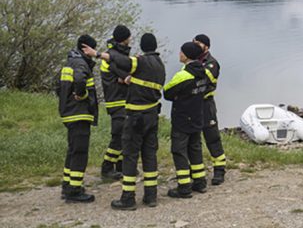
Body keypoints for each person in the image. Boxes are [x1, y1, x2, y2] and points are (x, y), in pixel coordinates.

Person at [83, 33, 166, 210]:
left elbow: (120, 60)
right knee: (150, 155)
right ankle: (151, 196)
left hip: (136, 117)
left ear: (143, 47)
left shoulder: (140, 62)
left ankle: (128, 198)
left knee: (129, 156)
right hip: (152, 115)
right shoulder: (160, 64)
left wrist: (96, 54)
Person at [164, 42, 211, 199]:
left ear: (186, 55)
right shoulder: (203, 72)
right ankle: (200, 182)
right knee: (195, 149)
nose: (179, 54)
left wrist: (180, 96)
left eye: (181, 51)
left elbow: (167, 92)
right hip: (198, 116)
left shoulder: (183, 75)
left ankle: (184, 187)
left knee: (179, 151)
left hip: (182, 118)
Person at [60, 35, 99, 203]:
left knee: (72, 150)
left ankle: (68, 185)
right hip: (79, 113)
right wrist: (81, 95)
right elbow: (80, 79)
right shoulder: (80, 63)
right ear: (85, 48)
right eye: (91, 49)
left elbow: (58, 87)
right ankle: (74, 191)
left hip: (70, 113)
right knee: (80, 152)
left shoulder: (70, 61)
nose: (92, 53)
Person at [99, 25, 133, 180]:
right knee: (118, 135)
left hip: (123, 99)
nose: (130, 40)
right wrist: (124, 78)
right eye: (129, 37)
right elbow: (120, 76)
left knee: (125, 134)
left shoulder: (117, 54)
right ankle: (107, 166)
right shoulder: (109, 56)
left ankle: (121, 165)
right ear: (125, 38)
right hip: (116, 100)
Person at [194, 34, 226, 186]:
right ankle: (196, 172)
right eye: (194, 43)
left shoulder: (212, 63)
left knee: (212, 137)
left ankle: (219, 170)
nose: (195, 45)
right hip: (193, 105)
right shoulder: (192, 62)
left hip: (206, 104)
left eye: (198, 43)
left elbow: (202, 80)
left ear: (206, 46)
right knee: (193, 139)